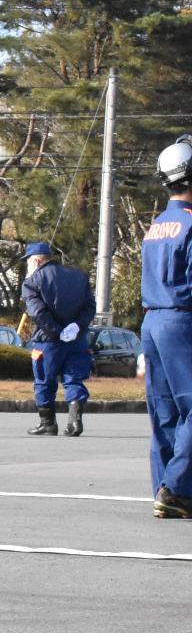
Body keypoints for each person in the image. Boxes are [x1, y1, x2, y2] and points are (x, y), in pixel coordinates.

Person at [140, 136, 192, 518]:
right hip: (182, 319)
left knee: (164, 410)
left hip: (153, 320)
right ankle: (175, 488)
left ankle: (167, 489)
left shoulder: (158, 224)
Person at [19, 241, 94, 437]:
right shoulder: (79, 277)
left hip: (48, 340)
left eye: (28, 261)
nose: (27, 266)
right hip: (76, 340)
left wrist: (56, 331)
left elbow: (38, 312)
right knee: (74, 379)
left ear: (36, 260)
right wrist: (77, 326)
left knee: (44, 380)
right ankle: (75, 421)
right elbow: (89, 307)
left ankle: (47, 423)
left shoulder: (31, 282)